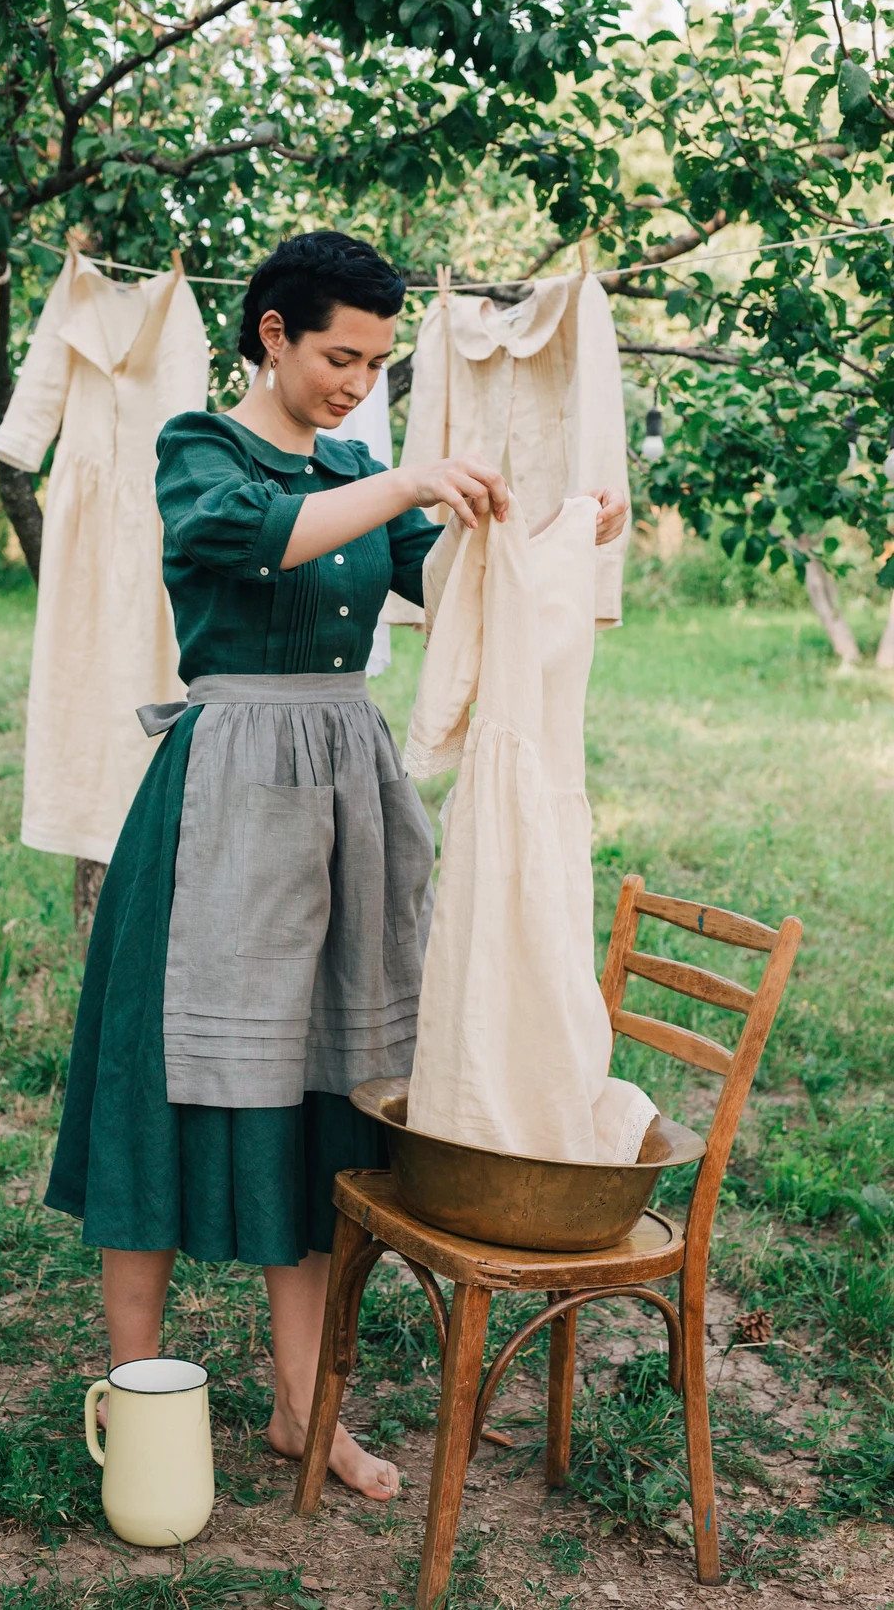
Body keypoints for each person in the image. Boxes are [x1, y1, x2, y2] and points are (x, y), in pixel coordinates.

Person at [44, 230, 627, 1501]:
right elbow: (259, 540)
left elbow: (470, 584)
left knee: (325, 1101)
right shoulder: (204, 450)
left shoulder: (365, 470)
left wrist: (561, 534)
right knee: (165, 1084)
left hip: (347, 799)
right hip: (221, 799)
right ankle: (137, 1405)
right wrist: (412, 481)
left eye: (374, 360)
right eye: (337, 356)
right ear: (272, 335)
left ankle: (303, 1413)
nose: (358, 382)